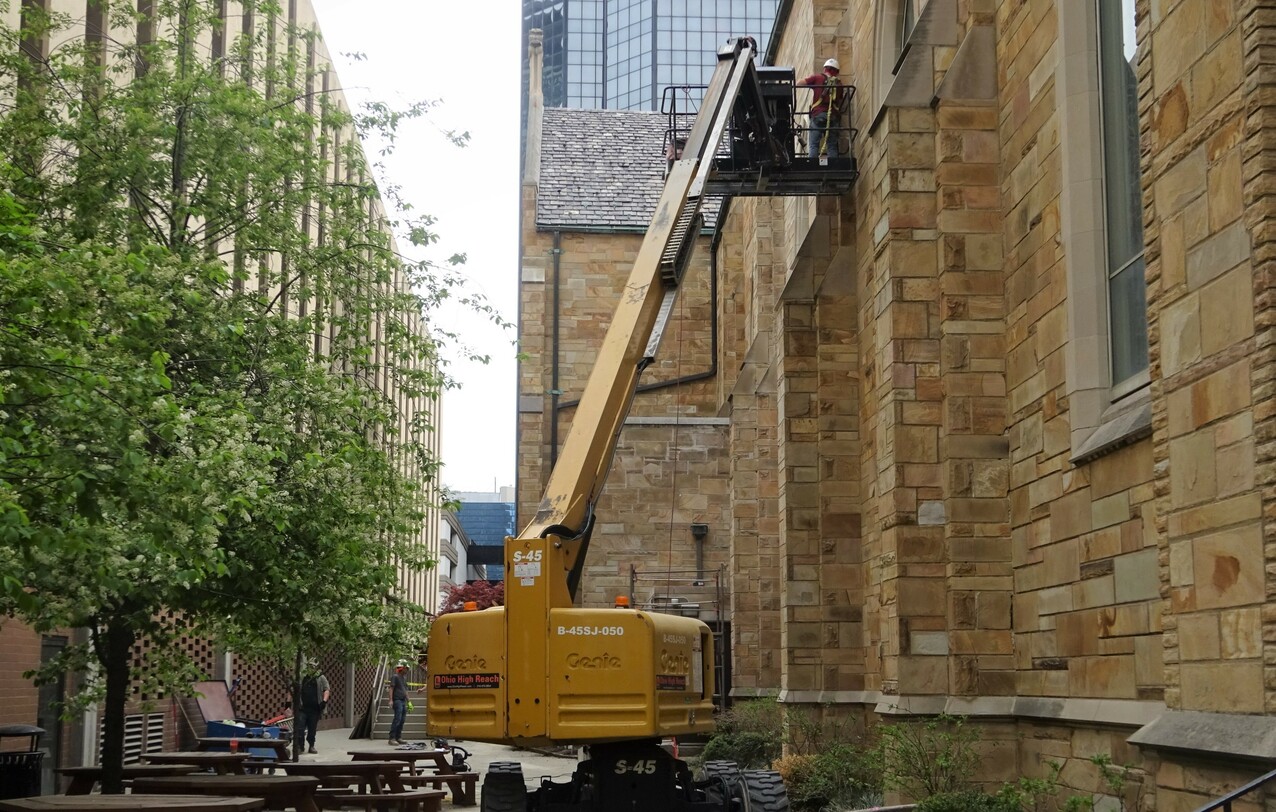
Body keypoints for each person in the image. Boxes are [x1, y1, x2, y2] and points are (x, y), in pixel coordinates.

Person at [797, 57, 845, 160]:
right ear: (836, 72)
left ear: (825, 69)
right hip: (833, 117)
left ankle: (812, 165)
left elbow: (799, 83)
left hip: (818, 115)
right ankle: (833, 165)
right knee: (832, 146)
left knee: (814, 144)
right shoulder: (839, 84)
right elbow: (839, 99)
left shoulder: (818, 78)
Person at [299, 660, 330, 755]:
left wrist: (324, 701)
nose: (311, 668)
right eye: (309, 666)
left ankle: (311, 745)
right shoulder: (302, 676)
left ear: (316, 668)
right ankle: (300, 746)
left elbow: (326, 689)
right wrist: (287, 703)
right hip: (302, 708)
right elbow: (293, 689)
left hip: (315, 709)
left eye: (313, 667)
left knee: (312, 729)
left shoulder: (321, 677)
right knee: (299, 728)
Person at [388, 661, 409, 745]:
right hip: (397, 700)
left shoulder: (404, 678)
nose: (407, 670)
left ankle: (398, 737)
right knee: (397, 719)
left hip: (403, 700)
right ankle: (392, 738)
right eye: (406, 668)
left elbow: (405, 690)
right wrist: (390, 700)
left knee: (402, 720)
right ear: (402, 668)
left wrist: (409, 701)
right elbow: (391, 688)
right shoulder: (395, 677)